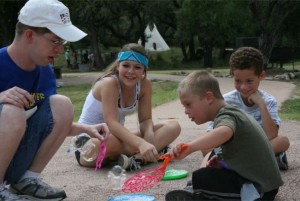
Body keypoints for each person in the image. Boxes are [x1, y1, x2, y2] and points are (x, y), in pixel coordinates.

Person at [0, 0, 109, 200]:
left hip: (12, 161)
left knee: (62, 104)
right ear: (30, 35)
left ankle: (26, 180)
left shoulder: (45, 72)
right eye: (55, 41)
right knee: (13, 110)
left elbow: (48, 125)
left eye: (63, 43)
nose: (59, 50)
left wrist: (87, 129)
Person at [165, 71, 283, 201]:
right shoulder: (229, 113)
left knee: (203, 177)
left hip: (258, 189)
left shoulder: (227, 115)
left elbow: (224, 132)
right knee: (209, 170)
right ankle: (193, 191)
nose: (186, 111)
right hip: (259, 184)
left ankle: (196, 195)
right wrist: (222, 163)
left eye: (188, 104)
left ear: (209, 97)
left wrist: (191, 147)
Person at [74, 43, 181, 171]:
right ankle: (145, 154)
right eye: (126, 65)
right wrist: (140, 143)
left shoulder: (144, 84)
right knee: (113, 142)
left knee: (173, 126)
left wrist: (149, 136)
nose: (130, 71)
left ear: (144, 70)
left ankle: (136, 158)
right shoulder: (109, 83)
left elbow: (145, 120)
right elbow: (112, 123)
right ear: (118, 66)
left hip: (119, 138)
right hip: (90, 144)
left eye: (137, 67)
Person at [207, 47, 290, 170]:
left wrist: (261, 105)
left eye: (249, 81)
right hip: (232, 148)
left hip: (258, 145)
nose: (244, 87)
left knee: (283, 141)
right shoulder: (225, 101)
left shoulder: (268, 101)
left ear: (261, 75)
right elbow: (211, 134)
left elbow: (272, 135)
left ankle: (239, 164)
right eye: (238, 81)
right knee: (205, 148)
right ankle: (265, 160)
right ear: (232, 76)